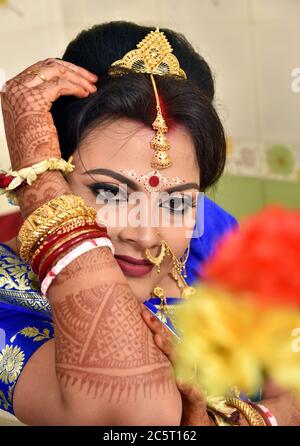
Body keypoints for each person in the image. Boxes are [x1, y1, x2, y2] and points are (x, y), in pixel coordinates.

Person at [0, 20, 258, 426]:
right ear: (51, 177)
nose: (144, 233)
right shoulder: (4, 298)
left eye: (174, 201)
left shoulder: (210, 231)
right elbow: (137, 414)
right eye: (108, 193)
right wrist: (32, 153)